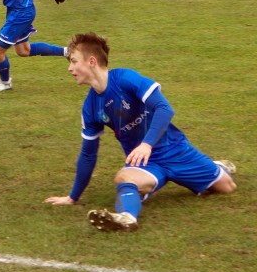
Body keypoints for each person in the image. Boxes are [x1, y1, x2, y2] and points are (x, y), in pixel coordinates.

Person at [44, 32, 237, 231]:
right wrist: (72, 197)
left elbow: (164, 109)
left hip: (175, 150)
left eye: (74, 61)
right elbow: (88, 154)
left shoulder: (125, 79)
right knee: (124, 177)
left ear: (91, 61)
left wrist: (146, 144)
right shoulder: (90, 107)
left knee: (227, 187)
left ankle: (216, 167)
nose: (70, 68)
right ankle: (126, 218)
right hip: (144, 163)